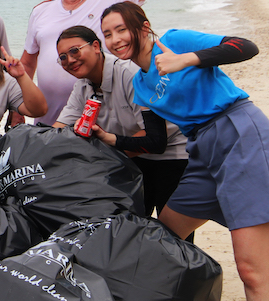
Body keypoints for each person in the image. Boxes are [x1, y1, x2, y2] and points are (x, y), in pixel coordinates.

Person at [100, 1, 269, 301]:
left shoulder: (175, 41)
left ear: (143, 26)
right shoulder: (140, 85)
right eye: (108, 34)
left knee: (253, 271)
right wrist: (105, 137)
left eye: (121, 29)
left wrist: (187, 59)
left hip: (240, 132)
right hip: (201, 150)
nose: (115, 40)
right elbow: (153, 140)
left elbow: (245, 45)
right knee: (164, 237)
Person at [20, 0, 172, 126]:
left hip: (102, 119)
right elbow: (28, 63)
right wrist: (18, 106)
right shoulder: (41, 11)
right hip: (47, 117)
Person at [50, 25, 192, 237]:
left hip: (171, 151)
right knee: (131, 225)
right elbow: (59, 128)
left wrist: (101, 155)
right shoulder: (83, 85)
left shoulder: (128, 74)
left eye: (75, 51)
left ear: (96, 46)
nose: (70, 60)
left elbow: (152, 137)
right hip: (131, 153)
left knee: (173, 232)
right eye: (62, 57)